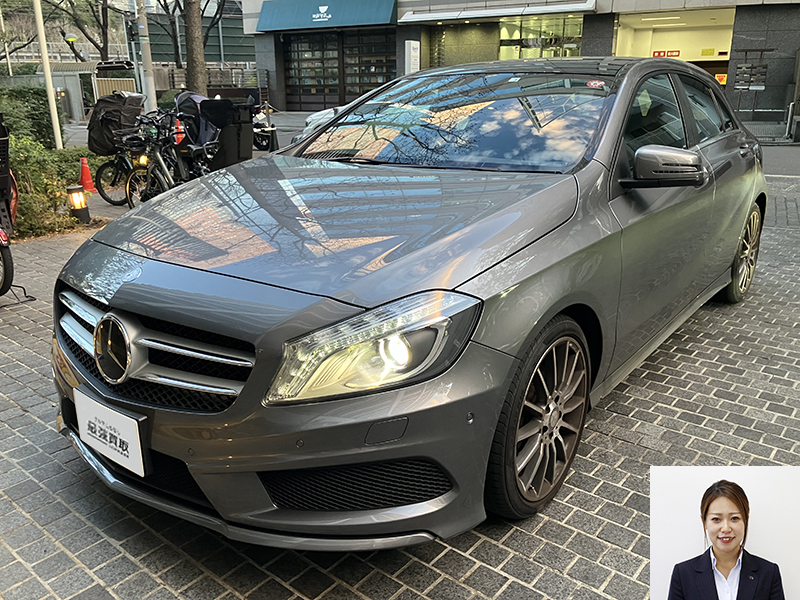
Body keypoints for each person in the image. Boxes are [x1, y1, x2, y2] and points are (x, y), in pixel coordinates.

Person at [667, 480, 785, 600]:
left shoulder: (769, 573)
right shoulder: (683, 574)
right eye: (716, 519)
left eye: (734, 518)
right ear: (704, 522)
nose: (726, 528)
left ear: (745, 519)